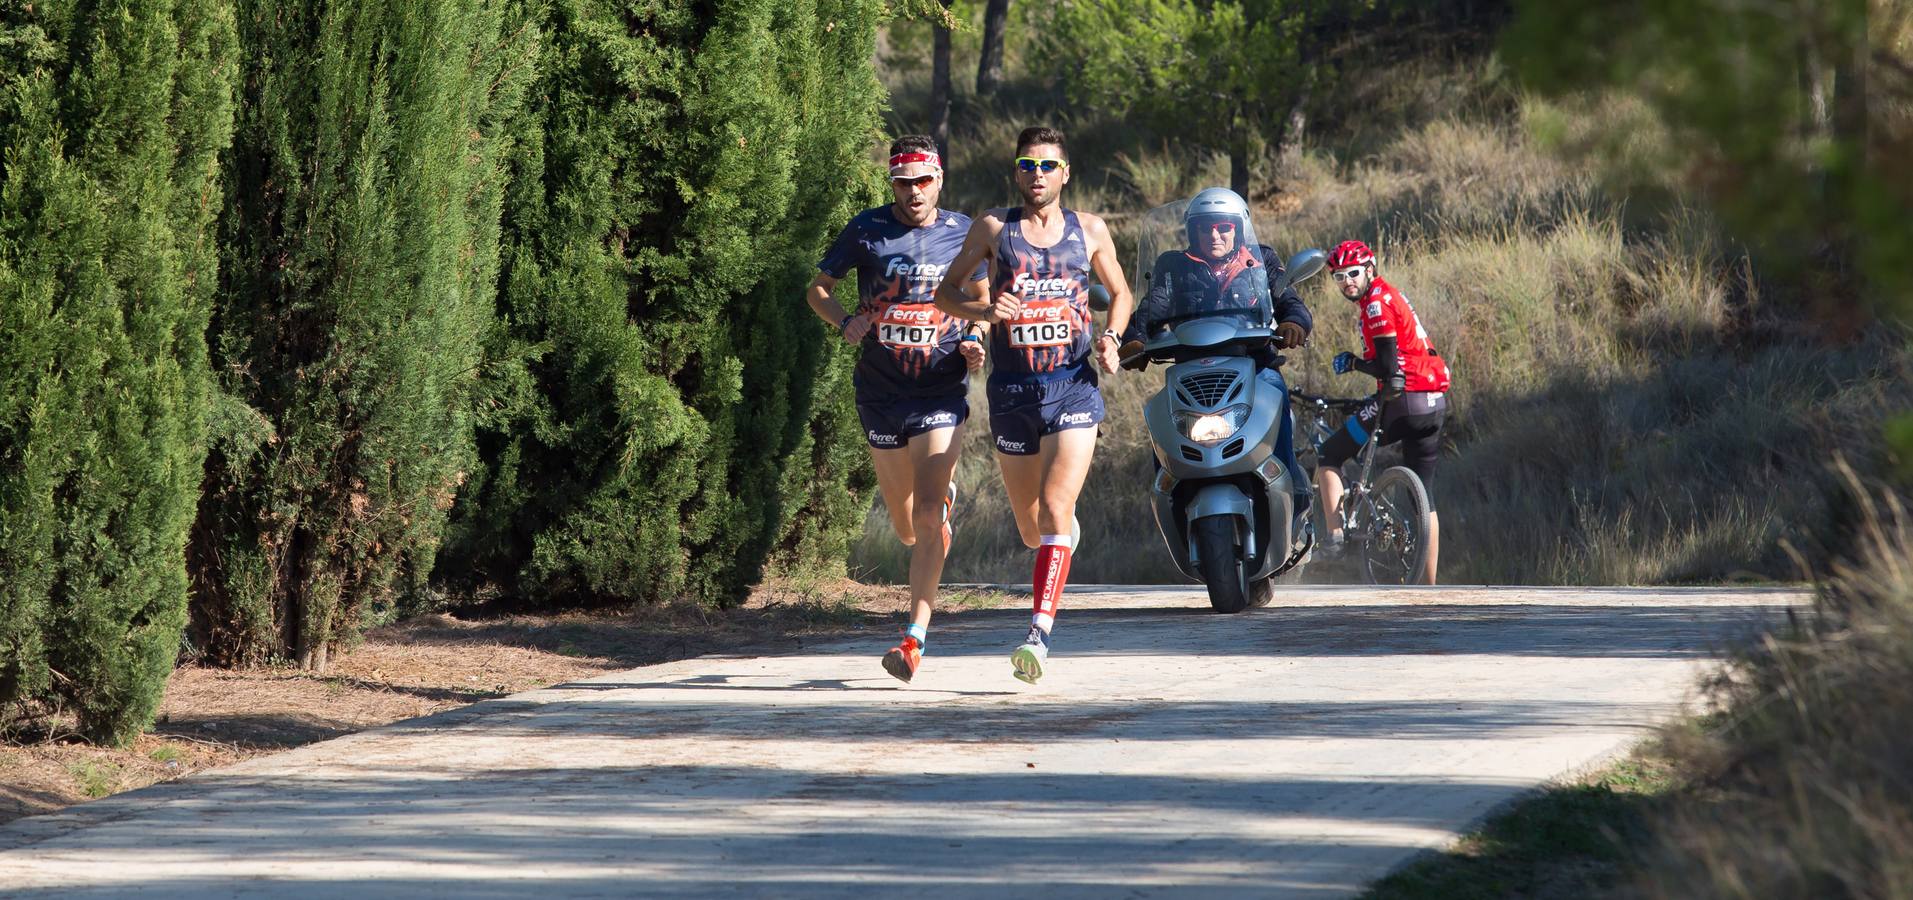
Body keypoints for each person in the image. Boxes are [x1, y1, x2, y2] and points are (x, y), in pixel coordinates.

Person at [933, 126, 1134, 685]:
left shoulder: (1089, 229)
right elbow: (946, 294)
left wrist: (1112, 338)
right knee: (1032, 526)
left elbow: (1120, 294)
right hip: (1013, 390)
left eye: (1048, 166)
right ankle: (1057, 536)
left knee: (1053, 505)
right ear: (1017, 172)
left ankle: (1037, 637)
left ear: (1065, 174)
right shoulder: (994, 228)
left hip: (1073, 385)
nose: (1037, 174)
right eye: (1028, 165)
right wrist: (983, 312)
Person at [806, 135, 987, 683]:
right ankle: (934, 515)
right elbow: (817, 289)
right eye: (903, 183)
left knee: (929, 515)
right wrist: (844, 320)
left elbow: (981, 301)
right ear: (893, 184)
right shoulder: (866, 229)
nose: (913, 193)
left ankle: (913, 639)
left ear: (939, 179)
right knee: (908, 527)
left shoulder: (962, 231)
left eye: (923, 181)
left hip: (940, 389)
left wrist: (976, 336)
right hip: (880, 393)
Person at [1119, 188, 1313, 520]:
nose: (1214, 234)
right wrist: (1134, 339)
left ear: (1238, 228)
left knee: (1276, 394)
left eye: (1223, 226)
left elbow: (1289, 301)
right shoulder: (1173, 266)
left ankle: (1289, 481)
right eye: (1205, 227)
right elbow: (1151, 309)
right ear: (1191, 230)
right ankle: (1170, 488)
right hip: (1192, 371)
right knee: (1159, 411)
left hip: (1254, 366)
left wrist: (1294, 322)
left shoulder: (1260, 260)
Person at [1314, 239, 1451, 584]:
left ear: (1370, 270)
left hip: (1404, 401)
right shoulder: (1391, 294)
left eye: (1354, 273)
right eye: (1339, 276)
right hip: (1434, 403)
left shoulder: (1375, 304)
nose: (1347, 282)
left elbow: (1391, 370)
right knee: (1426, 498)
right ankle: (1428, 586)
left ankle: (1334, 540)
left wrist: (1354, 362)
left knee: (1329, 454)